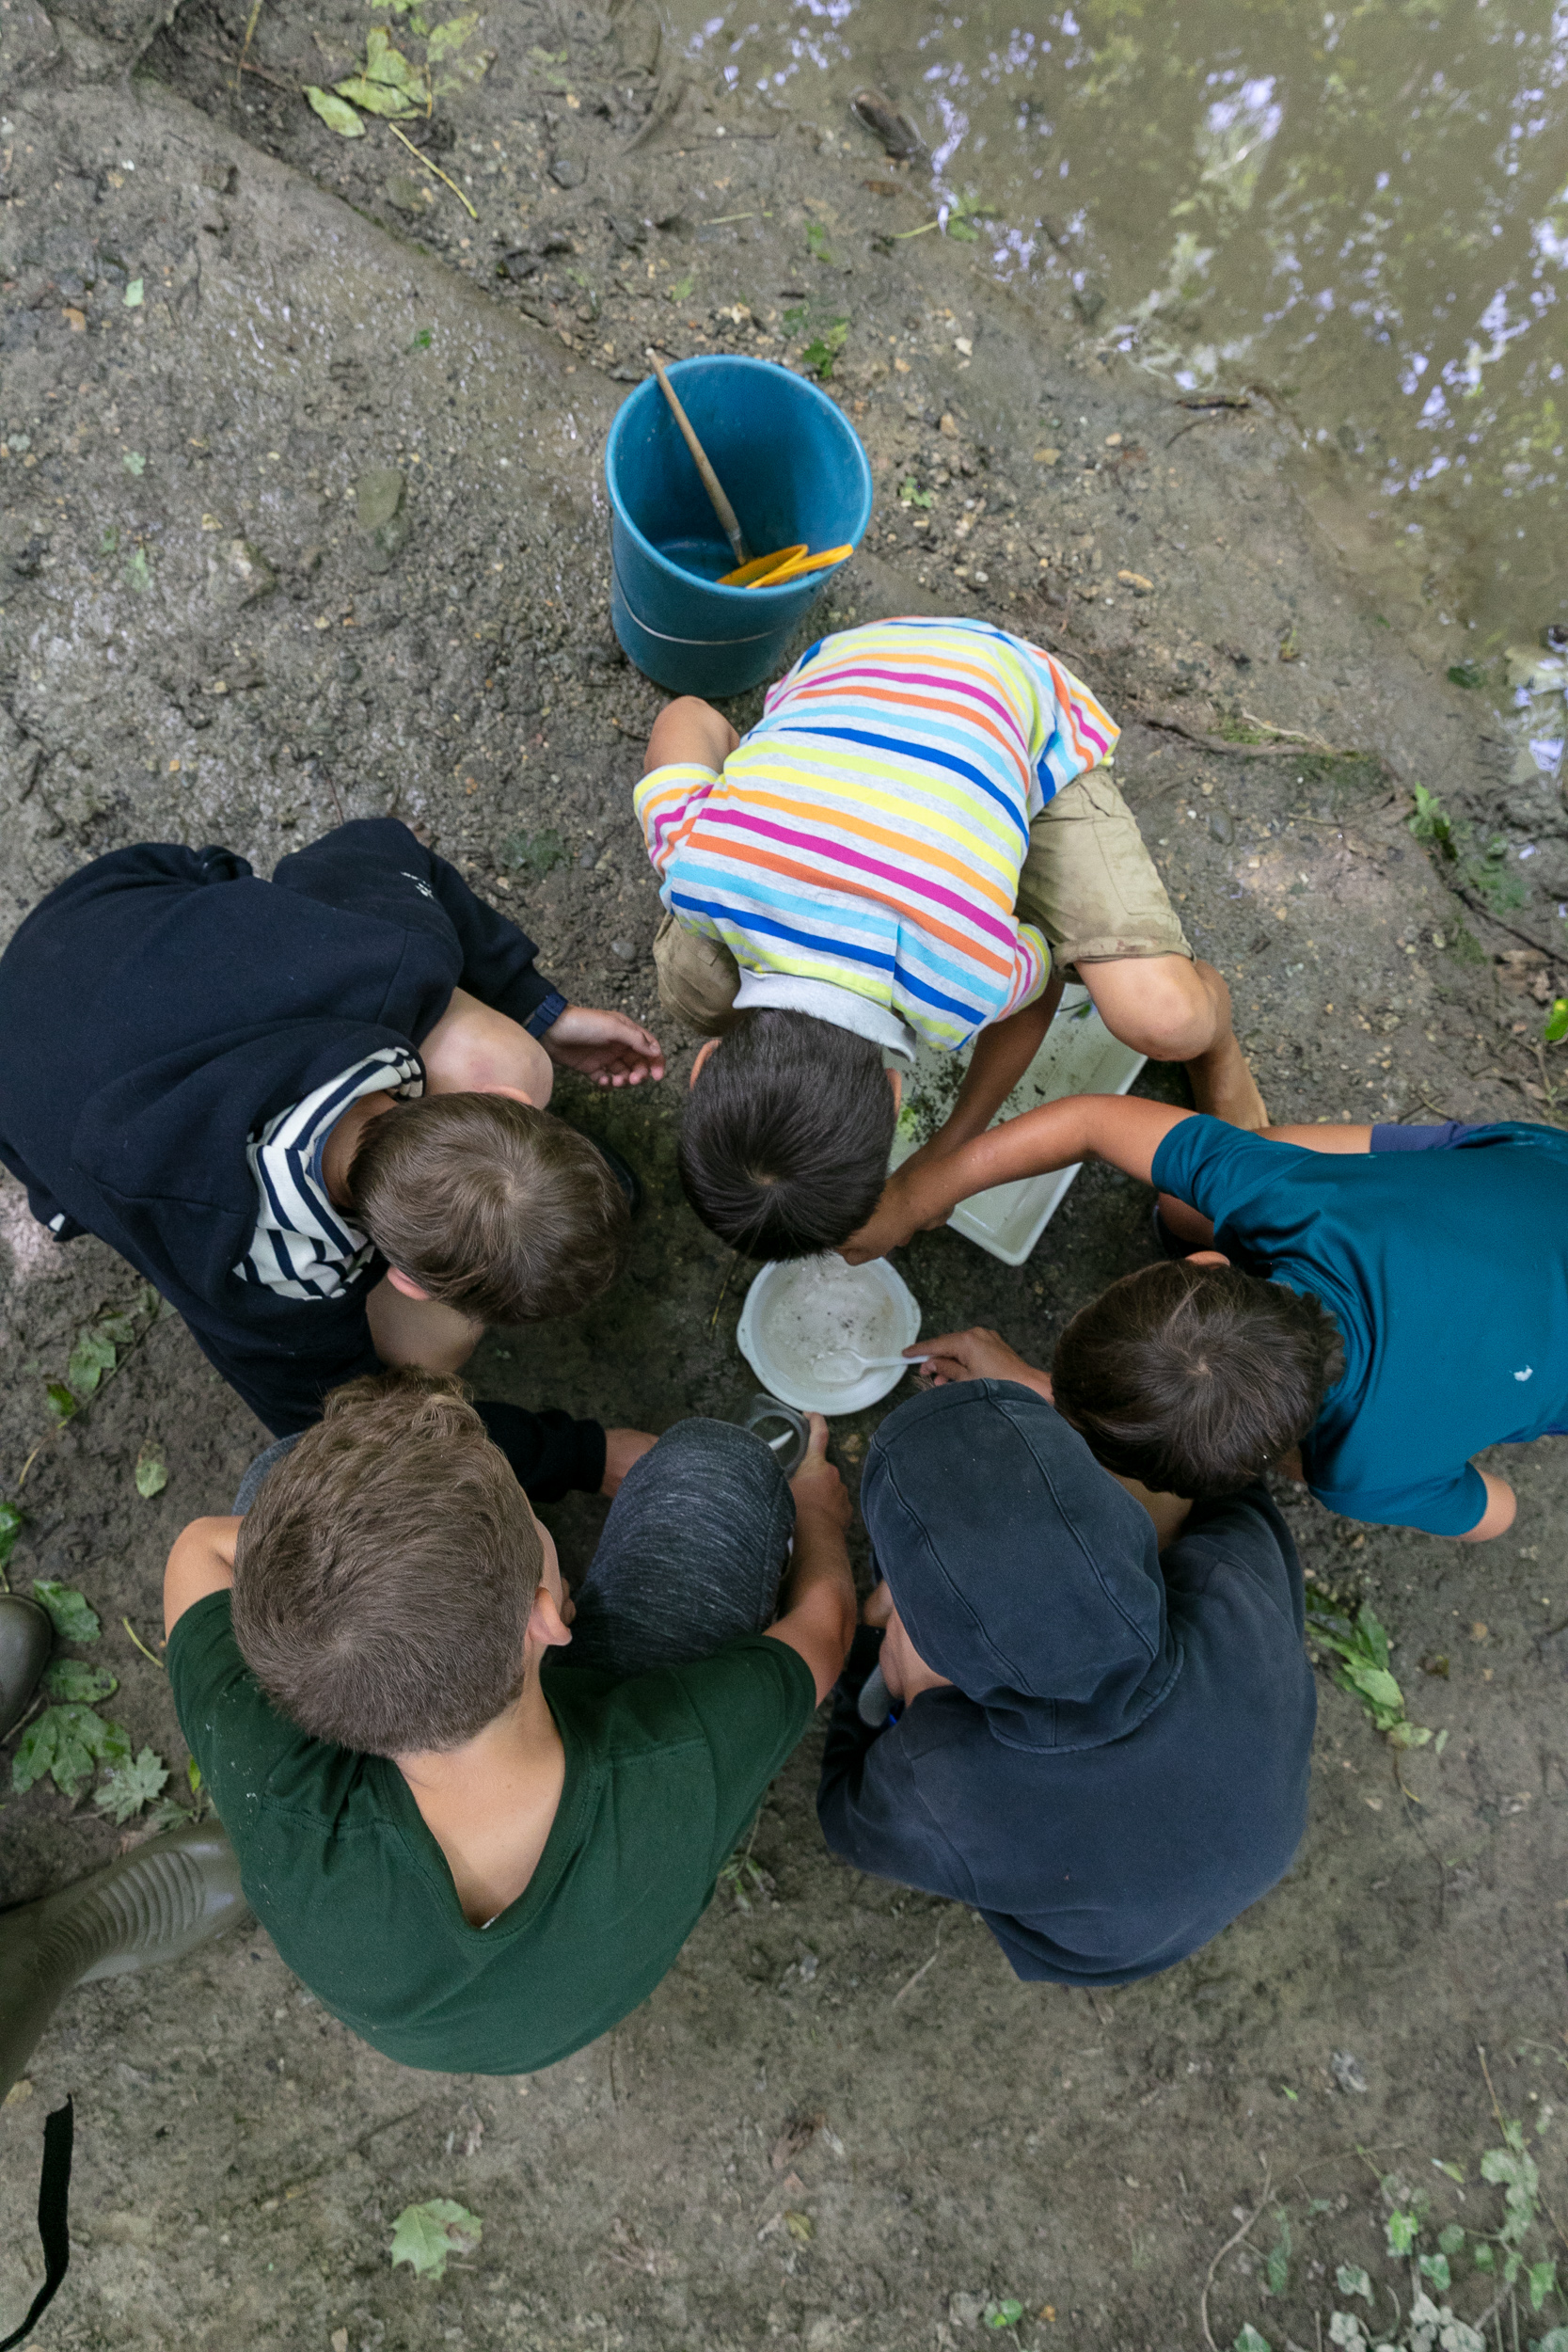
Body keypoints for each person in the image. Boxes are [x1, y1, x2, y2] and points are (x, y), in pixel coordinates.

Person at [158, 1371, 857, 2075]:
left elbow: (198, 1549)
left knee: (285, 1471)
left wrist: (360, 1593)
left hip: (473, 2030)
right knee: (718, 1464)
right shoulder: (679, 1750)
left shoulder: (271, 1776)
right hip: (601, 1752)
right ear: (548, 1614)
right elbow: (826, 1628)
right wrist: (818, 1515)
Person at [0, 820, 663, 1475]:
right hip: (26, 1063)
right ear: (406, 1279)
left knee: (513, 1055)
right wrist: (588, 1456)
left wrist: (537, 1010)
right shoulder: (259, 1285)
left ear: (507, 1107)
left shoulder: (383, 961)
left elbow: (371, 843)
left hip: (106, 922)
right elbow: (344, 1424)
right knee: (425, 1352)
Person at [633, 615, 1265, 1258]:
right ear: (704, 1069)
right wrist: (754, 789)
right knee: (695, 981)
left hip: (1018, 702)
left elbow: (1038, 986)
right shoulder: (696, 862)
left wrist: (940, 1161)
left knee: (1166, 1020)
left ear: (895, 1091)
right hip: (854, 666)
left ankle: (1215, 1044)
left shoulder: (960, 982)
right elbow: (688, 715)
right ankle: (945, 845)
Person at [816, 1362, 1316, 1987]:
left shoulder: (945, 1778)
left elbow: (844, 1813)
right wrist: (1062, 1409)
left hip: (1099, 1948)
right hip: (1255, 1836)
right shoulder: (1232, 1592)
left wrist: (877, 1651)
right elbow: (1217, 1473)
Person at [856, 1097, 1559, 1538]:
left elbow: (1498, 1512)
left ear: (1209, 1264)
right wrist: (914, 1198)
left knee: (1187, 1203)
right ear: (1208, 1268)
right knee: (1183, 1205)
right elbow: (1092, 1120)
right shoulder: (1295, 1202)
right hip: (1526, 1184)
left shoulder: (1357, 1473)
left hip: (1519, 1188)